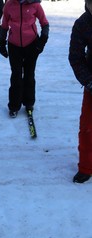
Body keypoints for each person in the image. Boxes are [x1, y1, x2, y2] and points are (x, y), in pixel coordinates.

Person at [0, 0, 49, 118]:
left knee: (29, 74)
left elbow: (45, 23)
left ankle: (29, 102)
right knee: (16, 74)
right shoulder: (9, 4)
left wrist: (43, 40)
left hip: (31, 44)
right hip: (14, 45)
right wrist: (2, 43)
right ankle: (14, 105)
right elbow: (4, 24)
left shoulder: (35, 4)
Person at [69, 0, 92, 183]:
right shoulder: (83, 23)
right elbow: (75, 57)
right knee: (87, 127)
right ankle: (86, 166)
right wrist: (89, 81)